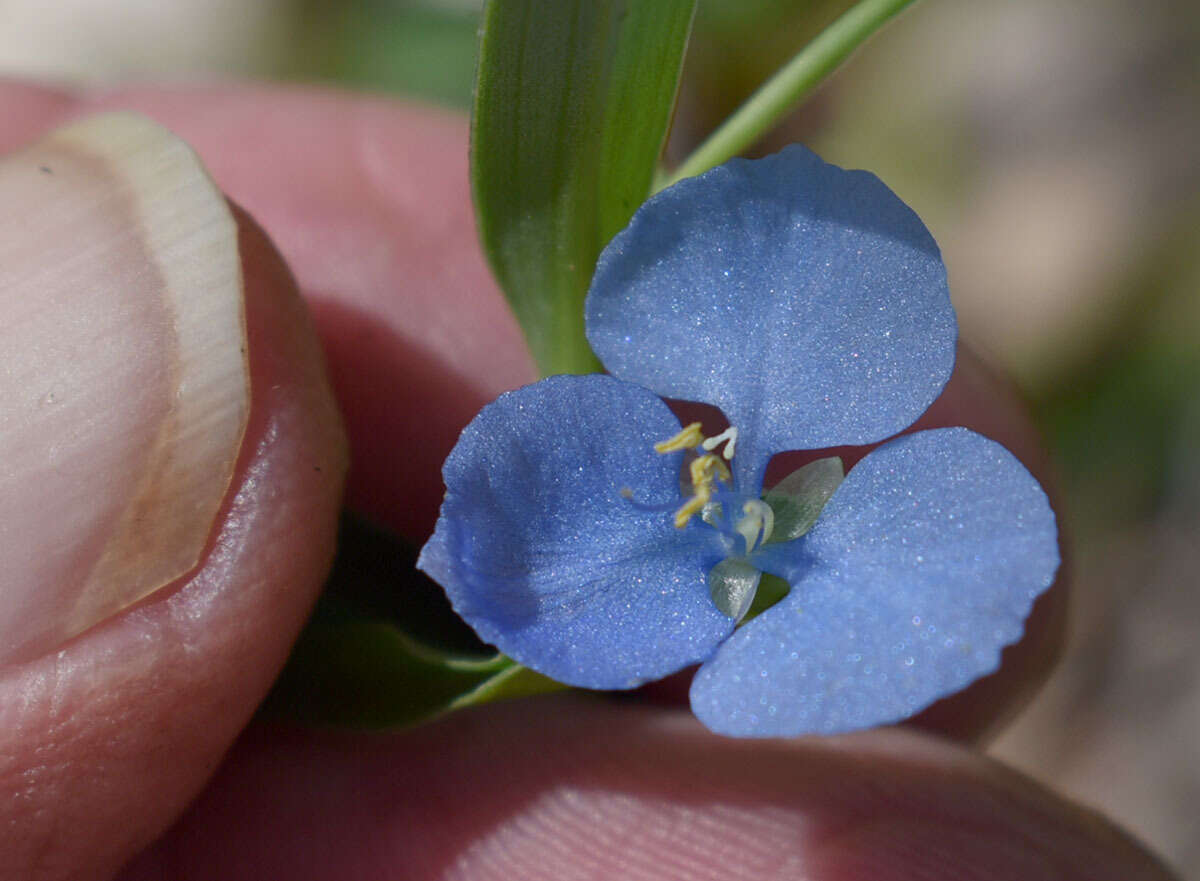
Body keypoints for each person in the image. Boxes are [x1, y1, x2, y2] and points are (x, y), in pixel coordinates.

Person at [0, 80, 1175, 881]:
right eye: (721, 474)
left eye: (733, 484)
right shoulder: (624, 514)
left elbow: (948, 598)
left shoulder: (847, 521)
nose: (731, 487)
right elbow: (508, 559)